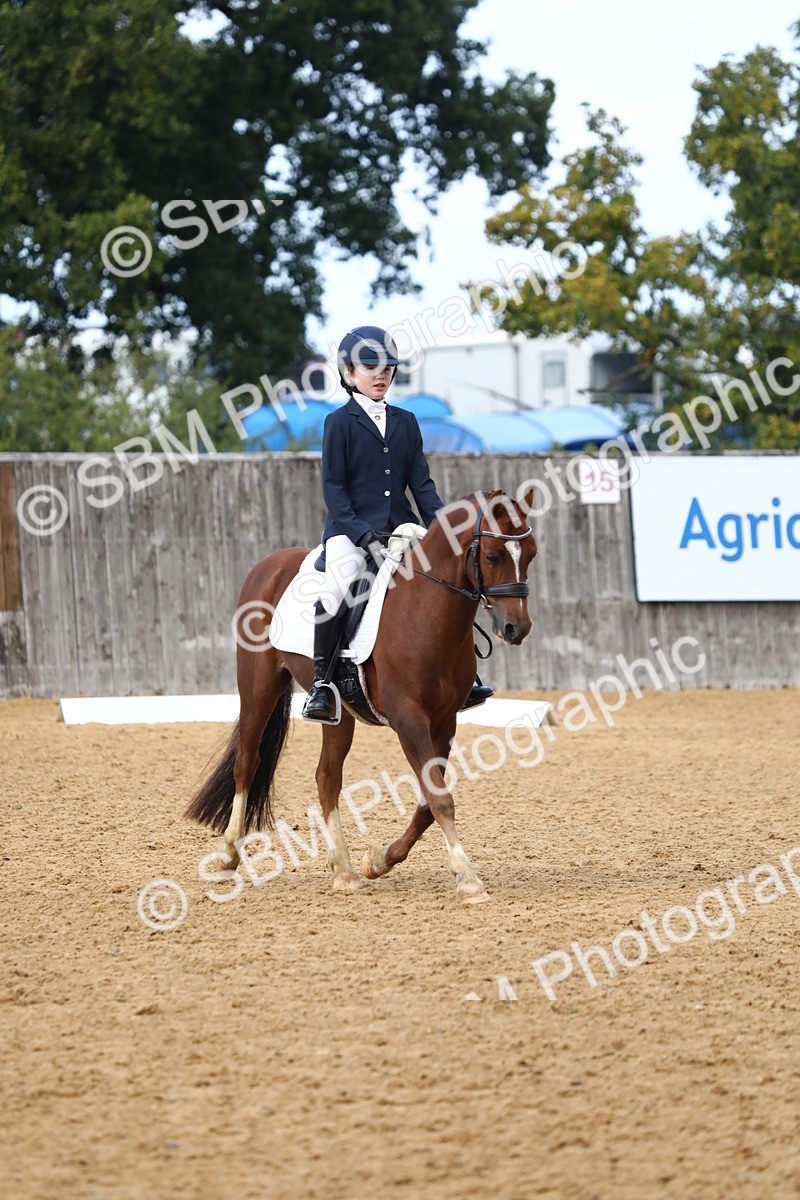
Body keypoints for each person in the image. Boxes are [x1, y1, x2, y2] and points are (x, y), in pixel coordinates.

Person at [302, 324, 493, 723]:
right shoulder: (338, 422)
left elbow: (421, 486)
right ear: (349, 374)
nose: (381, 373)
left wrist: (446, 531)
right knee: (338, 587)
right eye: (370, 366)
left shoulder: (406, 421)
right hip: (351, 533)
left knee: (448, 579)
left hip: (401, 530)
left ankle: (465, 675)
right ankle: (322, 685)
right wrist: (361, 533)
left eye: (387, 366)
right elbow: (334, 491)